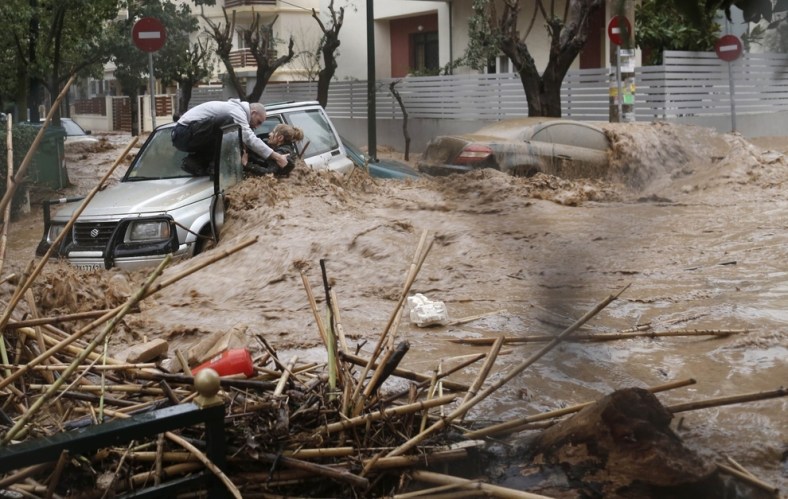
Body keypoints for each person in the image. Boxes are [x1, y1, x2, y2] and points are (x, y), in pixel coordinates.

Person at [171, 98, 288, 175]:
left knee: (234, 134)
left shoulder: (236, 110)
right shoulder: (236, 111)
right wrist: (277, 157)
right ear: (253, 113)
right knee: (231, 124)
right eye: (258, 122)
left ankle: (195, 161)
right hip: (183, 133)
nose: (257, 127)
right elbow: (249, 138)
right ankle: (215, 167)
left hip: (187, 135)